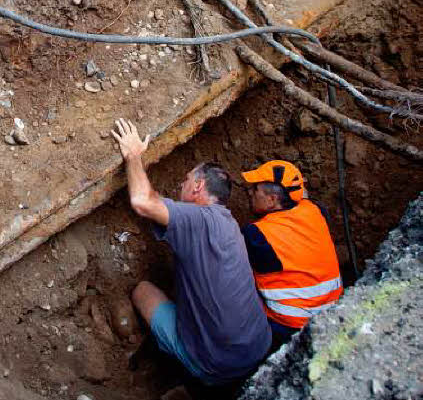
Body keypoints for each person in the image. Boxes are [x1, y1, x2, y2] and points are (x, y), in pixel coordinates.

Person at [111, 119, 271, 385]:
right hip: (259, 349)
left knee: (143, 292)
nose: (181, 184)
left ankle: (181, 373)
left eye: (186, 180)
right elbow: (164, 205)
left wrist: (134, 156)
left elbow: (142, 201)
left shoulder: (198, 221)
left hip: (213, 364)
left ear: (198, 187)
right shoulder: (229, 225)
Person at [241, 160, 342, 350]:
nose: (250, 192)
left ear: (272, 200)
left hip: (289, 325)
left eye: (255, 190)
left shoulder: (257, 235)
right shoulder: (316, 211)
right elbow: (304, 198)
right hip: (333, 311)